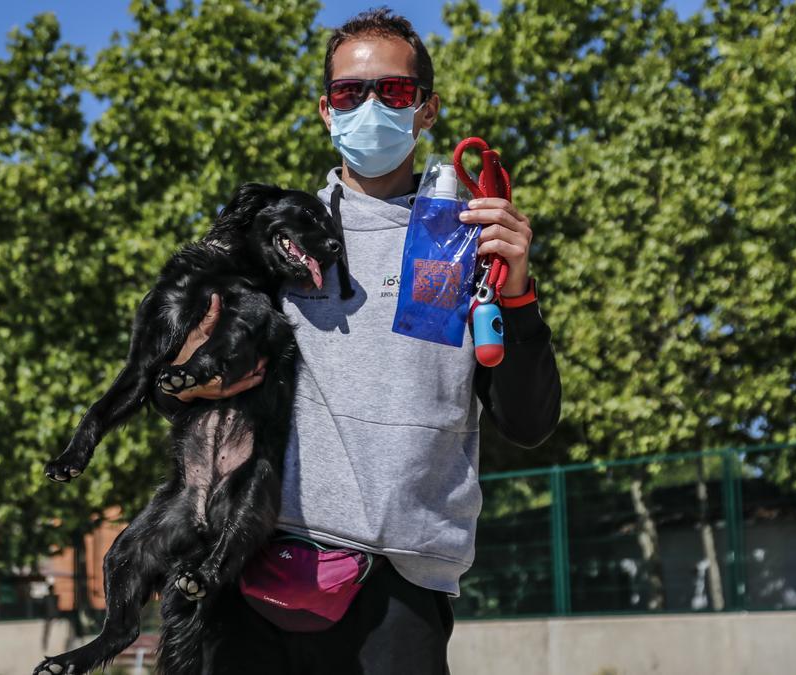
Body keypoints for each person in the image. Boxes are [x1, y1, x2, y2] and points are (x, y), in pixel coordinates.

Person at [155, 9, 561, 674]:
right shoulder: (271, 240)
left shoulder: (465, 238)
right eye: (350, 93)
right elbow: (186, 391)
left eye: (393, 92)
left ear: (425, 110)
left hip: (397, 591)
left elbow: (528, 420)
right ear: (326, 110)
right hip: (250, 573)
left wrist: (516, 295)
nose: (369, 106)